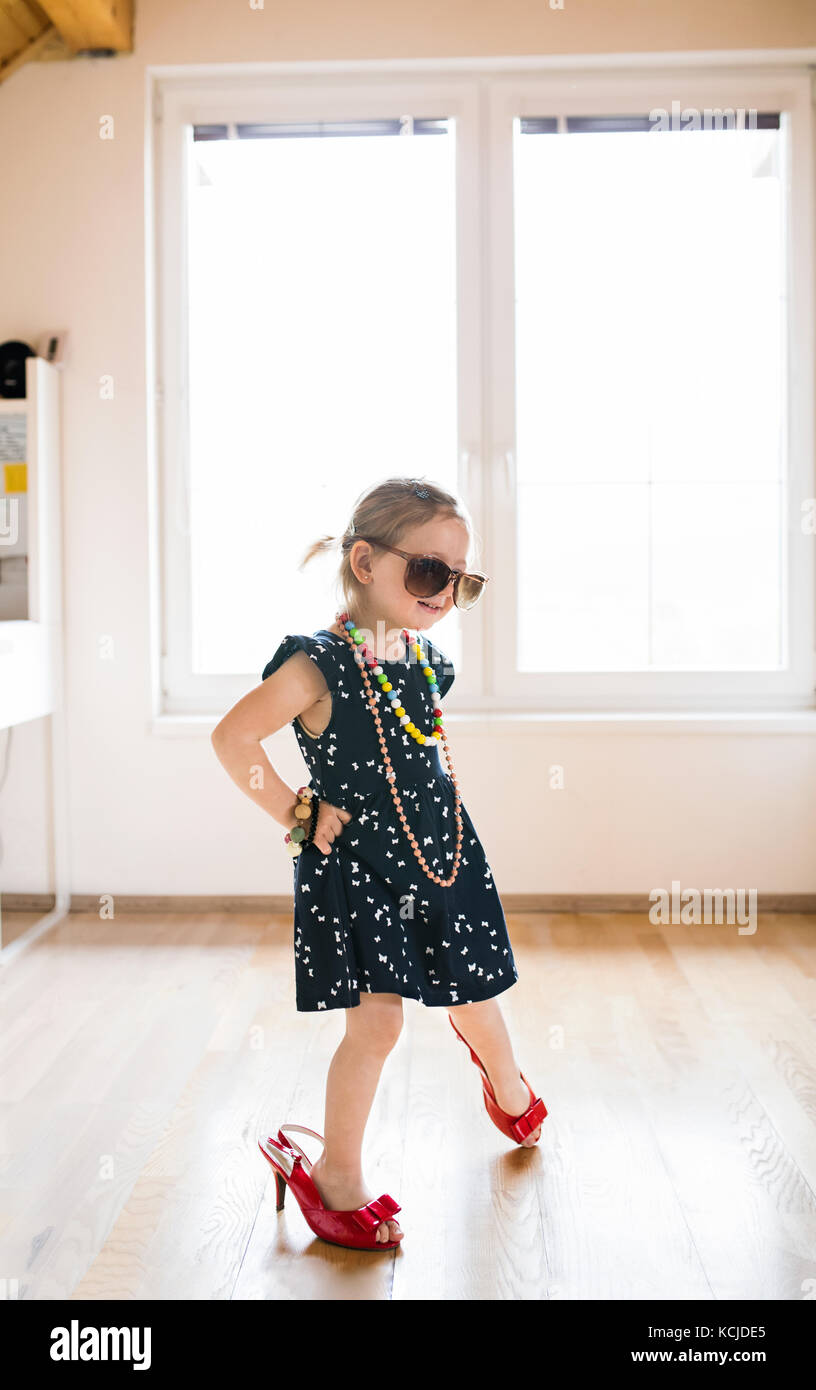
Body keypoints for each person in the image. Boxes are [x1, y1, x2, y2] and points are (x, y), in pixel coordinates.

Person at [211, 475, 546, 1253]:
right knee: (378, 1024)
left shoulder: (422, 660)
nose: (443, 594)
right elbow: (232, 740)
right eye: (429, 572)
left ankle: (510, 1087)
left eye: (460, 582)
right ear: (365, 562)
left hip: (440, 856)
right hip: (360, 869)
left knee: (475, 992)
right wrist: (297, 810)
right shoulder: (317, 667)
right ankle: (335, 1178)